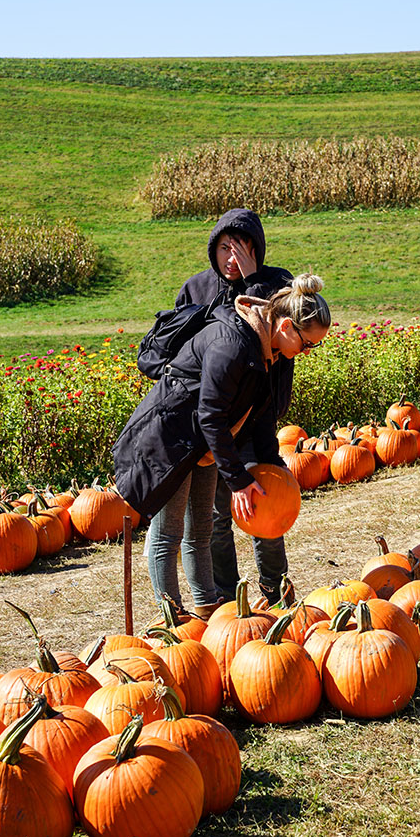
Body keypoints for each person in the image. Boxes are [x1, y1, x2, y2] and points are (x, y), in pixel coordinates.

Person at [112, 274, 330, 617]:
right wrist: (238, 482)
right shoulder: (232, 343)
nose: (307, 352)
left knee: (200, 530)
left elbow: (260, 416)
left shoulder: (269, 350)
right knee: (167, 534)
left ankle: (206, 608)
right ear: (287, 326)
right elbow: (209, 416)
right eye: (308, 344)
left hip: (205, 445)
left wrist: (273, 464)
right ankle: (173, 621)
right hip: (173, 438)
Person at [175, 208, 295, 606]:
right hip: (214, 424)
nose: (233, 258)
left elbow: (284, 331)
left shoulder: (277, 283)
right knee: (217, 517)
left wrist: (251, 279)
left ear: (257, 249)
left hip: (258, 419)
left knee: (267, 502)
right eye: (225, 248)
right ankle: (228, 597)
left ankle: (275, 588)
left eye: (242, 248)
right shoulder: (196, 289)